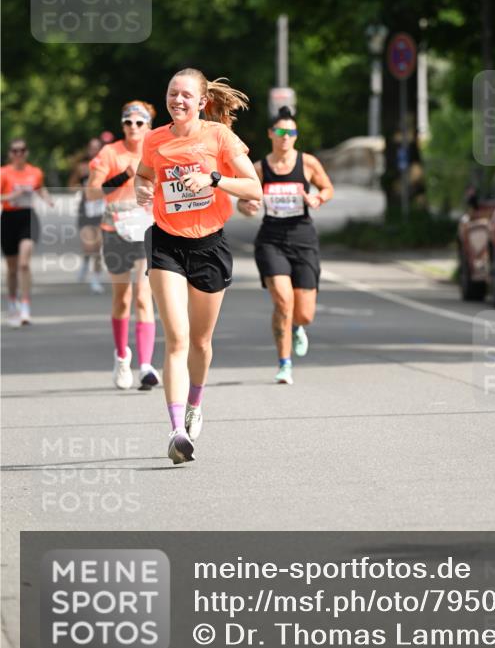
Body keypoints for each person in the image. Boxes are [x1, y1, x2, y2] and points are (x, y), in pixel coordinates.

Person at [134, 68, 262, 465]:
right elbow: (143, 175)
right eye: (173, 93)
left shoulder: (219, 136)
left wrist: (213, 179)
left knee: (201, 343)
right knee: (176, 338)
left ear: (202, 101)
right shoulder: (155, 139)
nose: (178, 101)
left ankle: (194, 404)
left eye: (187, 95)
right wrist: (142, 189)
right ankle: (175, 431)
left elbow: (253, 187)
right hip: (166, 243)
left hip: (210, 246)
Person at [237, 106, 334, 386]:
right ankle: (284, 363)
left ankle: (297, 326)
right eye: (280, 131)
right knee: (282, 300)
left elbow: (327, 188)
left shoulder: (308, 163)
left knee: (304, 313)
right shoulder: (259, 168)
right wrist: (248, 205)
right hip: (271, 240)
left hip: (303, 238)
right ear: (271, 134)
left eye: (291, 132)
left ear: (296, 135)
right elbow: (243, 203)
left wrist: (318, 199)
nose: (285, 136)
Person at [86, 103, 158, 391]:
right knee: (122, 298)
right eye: (128, 122)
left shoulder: (157, 150)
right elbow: (92, 191)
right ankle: (121, 356)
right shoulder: (110, 153)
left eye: (140, 123)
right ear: (122, 125)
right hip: (114, 230)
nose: (133, 127)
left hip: (146, 230)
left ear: (149, 125)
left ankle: (146, 365)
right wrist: (124, 175)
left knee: (143, 295)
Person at [1, 139, 54, 326]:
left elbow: (40, 189)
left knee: (24, 264)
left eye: (22, 150)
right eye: (15, 151)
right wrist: (11, 196)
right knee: (12, 268)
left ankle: (25, 306)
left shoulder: (35, 172)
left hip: (28, 218)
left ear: (26, 152)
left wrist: (47, 199)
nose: (18, 154)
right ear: (10, 153)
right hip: (8, 219)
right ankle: (12, 300)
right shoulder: (4, 173)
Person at [68, 137, 104, 293]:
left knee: (99, 246)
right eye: (92, 147)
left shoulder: (107, 166)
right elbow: (71, 186)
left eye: (97, 147)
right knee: (89, 246)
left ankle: (95, 278)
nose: (94, 150)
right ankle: (85, 261)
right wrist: (81, 189)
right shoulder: (82, 167)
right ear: (88, 149)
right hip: (85, 210)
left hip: (102, 210)